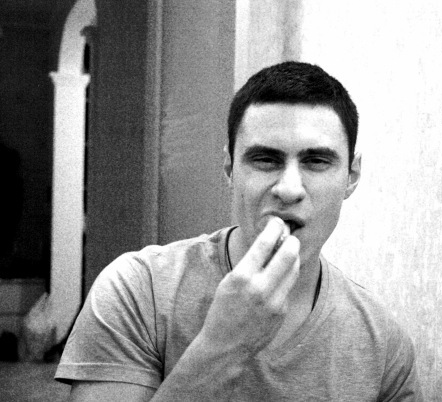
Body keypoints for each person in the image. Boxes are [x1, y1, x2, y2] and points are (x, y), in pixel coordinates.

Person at [56, 61, 422, 401]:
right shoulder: (137, 291)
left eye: (316, 161)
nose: (289, 189)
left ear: (352, 176)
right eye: (265, 159)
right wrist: (222, 346)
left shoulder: (384, 343)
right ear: (230, 169)